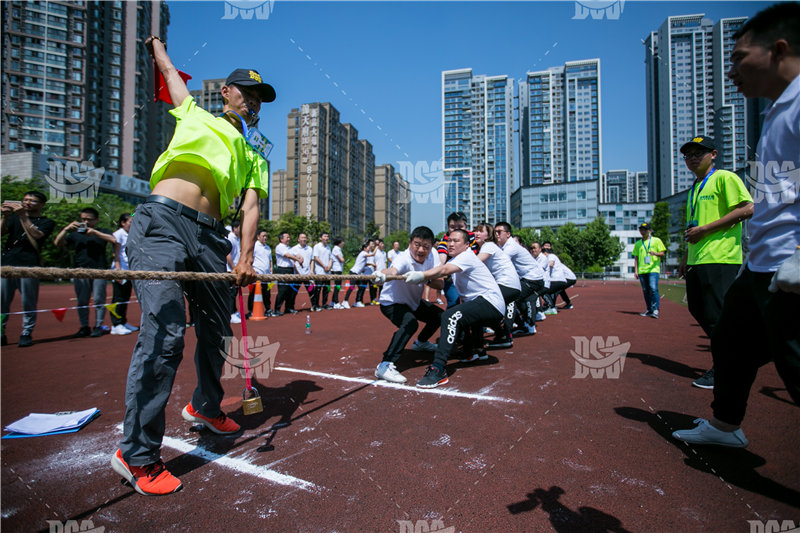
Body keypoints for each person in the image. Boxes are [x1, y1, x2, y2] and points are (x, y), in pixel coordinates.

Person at [111, 35, 273, 496]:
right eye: (248, 92)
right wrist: (158, 48)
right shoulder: (195, 114)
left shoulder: (255, 152)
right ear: (226, 91)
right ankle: (136, 453)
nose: (255, 102)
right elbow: (168, 76)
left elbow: (251, 207)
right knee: (164, 334)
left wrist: (244, 257)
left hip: (209, 237)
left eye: (261, 98)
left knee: (218, 331)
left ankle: (205, 405)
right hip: (162, 222)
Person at [673, 2, 800, 448]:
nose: (731, 72)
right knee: (730, 340)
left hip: (788, 266)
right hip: (759, 266)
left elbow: (746, 208)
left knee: (792, 359)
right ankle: (726, 426)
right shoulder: (775, 114)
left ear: (779, 49)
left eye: (739, 59)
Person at [677, 134, 754, 389]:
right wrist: (686, 257)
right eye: (688, 155)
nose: (692, 158)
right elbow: (692, 228)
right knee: (698, 310)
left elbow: (747, 208)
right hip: (699, 259)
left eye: (699, 153)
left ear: (713, 154)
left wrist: (706, 230)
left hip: (721, 257)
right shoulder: (694, 189)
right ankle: (732, 357)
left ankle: (727, 365)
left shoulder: (725, 178)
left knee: (716, 314)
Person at [405, 229, 506, 388]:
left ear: (467, 245)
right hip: (482, 303)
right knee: (460, 315)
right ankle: (469, 353)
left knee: (450, 316)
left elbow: (443, 270)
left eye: (456, 241)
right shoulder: (457, 260)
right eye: (449, 241)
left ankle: (438, 368)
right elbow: (440, 278)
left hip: (491, 303)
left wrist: (422, 275)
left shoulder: (466, 256)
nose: (450, 244)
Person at [372, 226, 444, 383]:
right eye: (417, 244)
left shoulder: (433, 256)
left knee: (439, 316)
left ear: (431, 247)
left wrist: (424, 277)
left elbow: (440, 284)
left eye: (426, 246)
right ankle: (385, 365)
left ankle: (421, 343)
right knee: (410, 323)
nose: (420, 250)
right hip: (392, 302)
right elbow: (392, 271)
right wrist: (380, 275)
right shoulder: (403, 258)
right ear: (410, 243)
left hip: (413, 302)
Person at [54, 207, 120, 338]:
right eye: (83, 219)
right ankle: (84, 326)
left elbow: (113, 240)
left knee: (99, 299)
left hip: (99, 270)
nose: (85, 222)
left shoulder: (101, 231)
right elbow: (58, 243)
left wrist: (95, 232)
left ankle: (98, 325)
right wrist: (66, 229)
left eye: (88, 219)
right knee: (82, 300)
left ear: (96, 220)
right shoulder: (75, 234)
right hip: (80, 271)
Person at [1, 191, 55, 347]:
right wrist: (5, 216)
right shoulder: (12, 218)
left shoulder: (46, 222)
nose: (27, 203)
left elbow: (37, 235)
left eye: (32, 200)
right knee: (2, 302)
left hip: (29, 265)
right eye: (25, 200)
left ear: (41, 204)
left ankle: (26, 332)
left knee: (28, 301)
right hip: (6, 264)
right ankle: (1, 331)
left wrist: (23, 216)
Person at [474, 224, 521, 350]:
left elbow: (474, 263)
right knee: (488, 310)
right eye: (475, 231)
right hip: (509, 285)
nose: (476, 233)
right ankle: (502, 336)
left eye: (480, 231)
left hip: (508, 284)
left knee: (480, 307)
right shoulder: (486, 247)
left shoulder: (488, 246)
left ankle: (478, 348)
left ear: (489, 235)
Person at [496, 222, 545, 335]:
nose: (496, 234)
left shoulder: (511, 246)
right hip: (526, 279)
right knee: (521, 300)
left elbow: (499, 263)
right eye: (495, 232)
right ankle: (526, 325)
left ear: (508, 234)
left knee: (511, 298)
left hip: (533, 279)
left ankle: (507, 332)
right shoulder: (502, 246)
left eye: (499, 232)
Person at [436, 211, 480, 308]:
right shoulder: (446, 237)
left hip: (471, 277)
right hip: (452, 277)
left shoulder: (473, 236)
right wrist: (441, 265)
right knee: (453, 303)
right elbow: (442, 251)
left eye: (460, 227)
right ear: (448, 227)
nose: (456, 230)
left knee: (471, 305)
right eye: (452, 227)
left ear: (466, 226)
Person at [109, 213, 138, 336]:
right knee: (118, 298)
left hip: (129, 270)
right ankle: (116, 324)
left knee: (125, 298)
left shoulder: (131, 235)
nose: (133, 224)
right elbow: (116, 254)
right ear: (123, 223)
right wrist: (118, 271)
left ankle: (123, 321)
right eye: (131, 221)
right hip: (120, 270)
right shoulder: (119, 234)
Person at [632, 223, 666, 319]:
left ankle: (655, 309)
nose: (643, 232)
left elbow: (662, 253)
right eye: (641, 230)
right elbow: (636, 257)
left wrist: (655, 253)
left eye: (645, 230)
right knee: (645, 290)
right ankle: (649, 309)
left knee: (653, 288)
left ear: (649, 231)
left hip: (653, 269)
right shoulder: (638, 243)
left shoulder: (656, 240)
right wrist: (636, 270)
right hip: (642, 270)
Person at [273, 231, 303, 315]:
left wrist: (300, 257)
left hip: (290, 270)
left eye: (289, 237)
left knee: (290, 291)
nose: (289, 239)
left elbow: (295, 254)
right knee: (282, 290)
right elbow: (288, 256)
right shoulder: (280, 247)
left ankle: (289, 308)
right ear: (281, 239)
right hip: (282, 270)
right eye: (287, 237)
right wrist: (297, 259)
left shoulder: (289, 248)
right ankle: (277, 309)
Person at [344, 240, 375, 308]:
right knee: (352, 287)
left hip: (357, 274)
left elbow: (364, 264)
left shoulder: (364, 255)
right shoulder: (363, 253)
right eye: (367, 247)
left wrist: (371, 264)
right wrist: (377, 248)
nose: (368, 249)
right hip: (353, 272)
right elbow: (372, 254)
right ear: (364, 248)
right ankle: (345, 301)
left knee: (361, 287)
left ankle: (357, 302)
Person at [248, 229, 272, 317]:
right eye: (263, 236)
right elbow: (250, 259)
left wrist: (271, 270)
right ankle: (251, 310)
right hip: (257, 273)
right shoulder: (254, 246)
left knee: (267, 293)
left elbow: (270, 261)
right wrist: (252, 270)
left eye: (266, 236)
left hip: (266, 274)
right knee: (253, 293)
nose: (265, 237)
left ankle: (268, 309)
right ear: (258, 237)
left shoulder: (268, 248)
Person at [311, 232, 333, 311]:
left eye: (327, 236)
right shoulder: (317, 246)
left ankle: (324, 304)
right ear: (320, 238)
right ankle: (316, 305)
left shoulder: (328, 247)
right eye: (325, 236)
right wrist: (324, 266)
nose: (326, 238)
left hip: (327, 272)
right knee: (318, 289)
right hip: (320, 271)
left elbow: (331, 258)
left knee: (327, 289)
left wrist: (329, 267)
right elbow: (316, 258)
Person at [226, 220, 242, 323]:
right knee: (231, 292)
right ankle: (230, 314)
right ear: (235, 228)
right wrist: (233, 268)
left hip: (235, 269)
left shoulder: (237, 239)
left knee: (234, 292)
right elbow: (227, 254)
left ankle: (234, 310)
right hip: (230, 270)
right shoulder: (230, 238)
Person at [330, 237, 345, 309]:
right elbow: (341, 259)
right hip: (336, 269)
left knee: (338, 286)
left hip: (338, 269)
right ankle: (336, 302)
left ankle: (333, 301)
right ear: (339, 242)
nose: (343, 243)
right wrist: (343, 259)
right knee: (338, 286)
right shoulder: (336, 249)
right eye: (342, 241)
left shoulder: (338, 249)